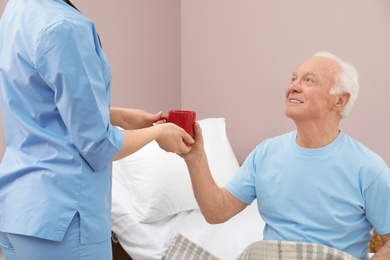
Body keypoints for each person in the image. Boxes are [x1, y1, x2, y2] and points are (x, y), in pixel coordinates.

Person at [0, 0, 193, 259]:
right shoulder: (65, 26)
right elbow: (98, 146)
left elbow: (37, 103)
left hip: (17, 212)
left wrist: (118, 116)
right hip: (62, 219)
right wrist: (159, 133)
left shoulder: (18, 9)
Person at [182, 52, 390, 259]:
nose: (293, 87)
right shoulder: (266, 153)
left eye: (308, 80)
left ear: (340, 101)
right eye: (293, 79)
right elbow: (216, 212)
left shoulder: (369, 168)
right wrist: (195, 157)